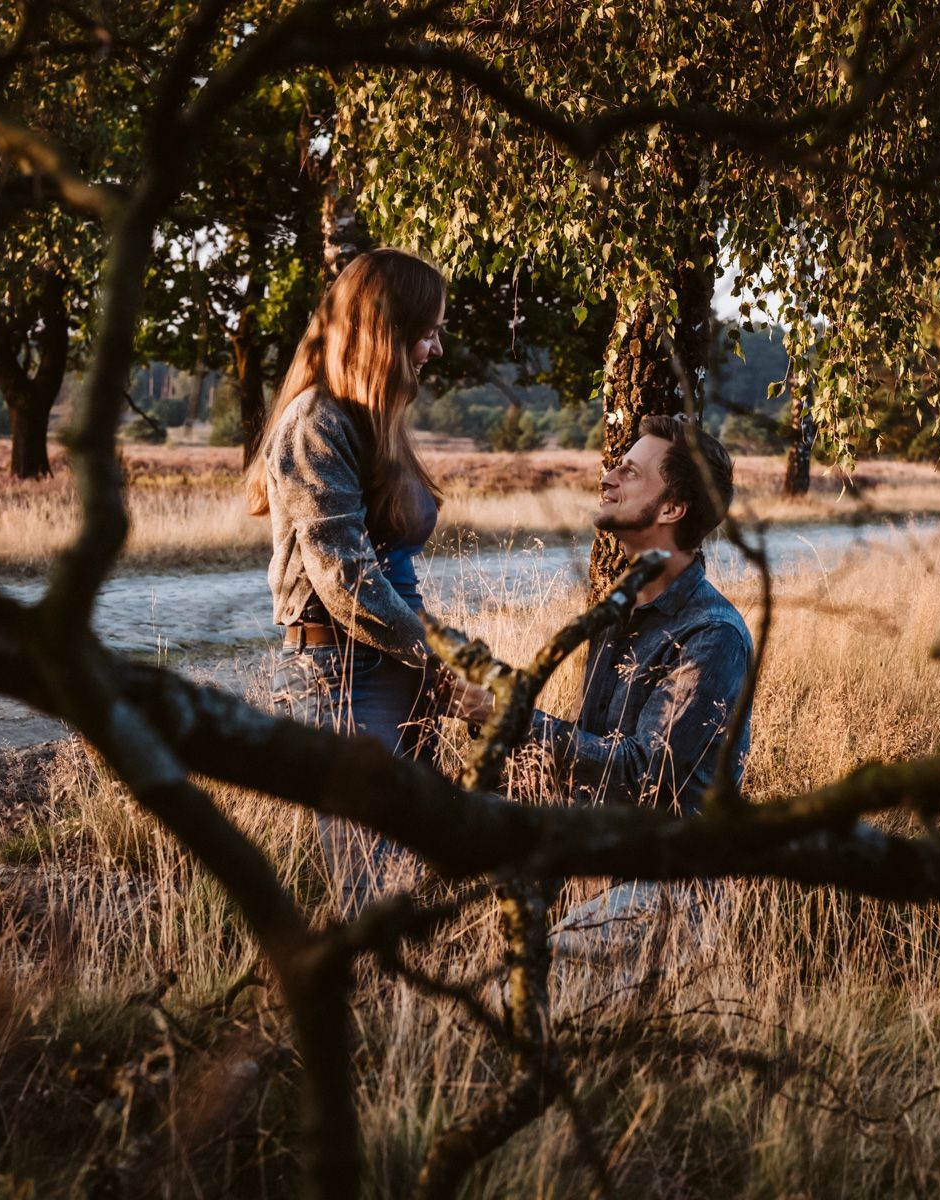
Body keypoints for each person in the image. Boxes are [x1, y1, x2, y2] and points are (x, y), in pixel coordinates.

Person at [461, 414, 754, 956]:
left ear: (671, 509)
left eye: (630, 473)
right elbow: (595, 749)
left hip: (668, 890)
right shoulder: (619, 614)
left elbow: (643, 773)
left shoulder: (711, 636)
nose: (608, 478)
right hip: (599, 872)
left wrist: (515, 718)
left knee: (515, 998)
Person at [245, 248, 450, 915]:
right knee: (369, 875)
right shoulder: (315, 423)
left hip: (396, 664)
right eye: (428, 332)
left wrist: (425, 660)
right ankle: (366, 1007)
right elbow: (344, 576)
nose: (436, 349)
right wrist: (436, 652)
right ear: (386, 331)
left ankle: (408, 1011)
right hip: (345, 670)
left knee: (409, 864)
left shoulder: (368, 421)